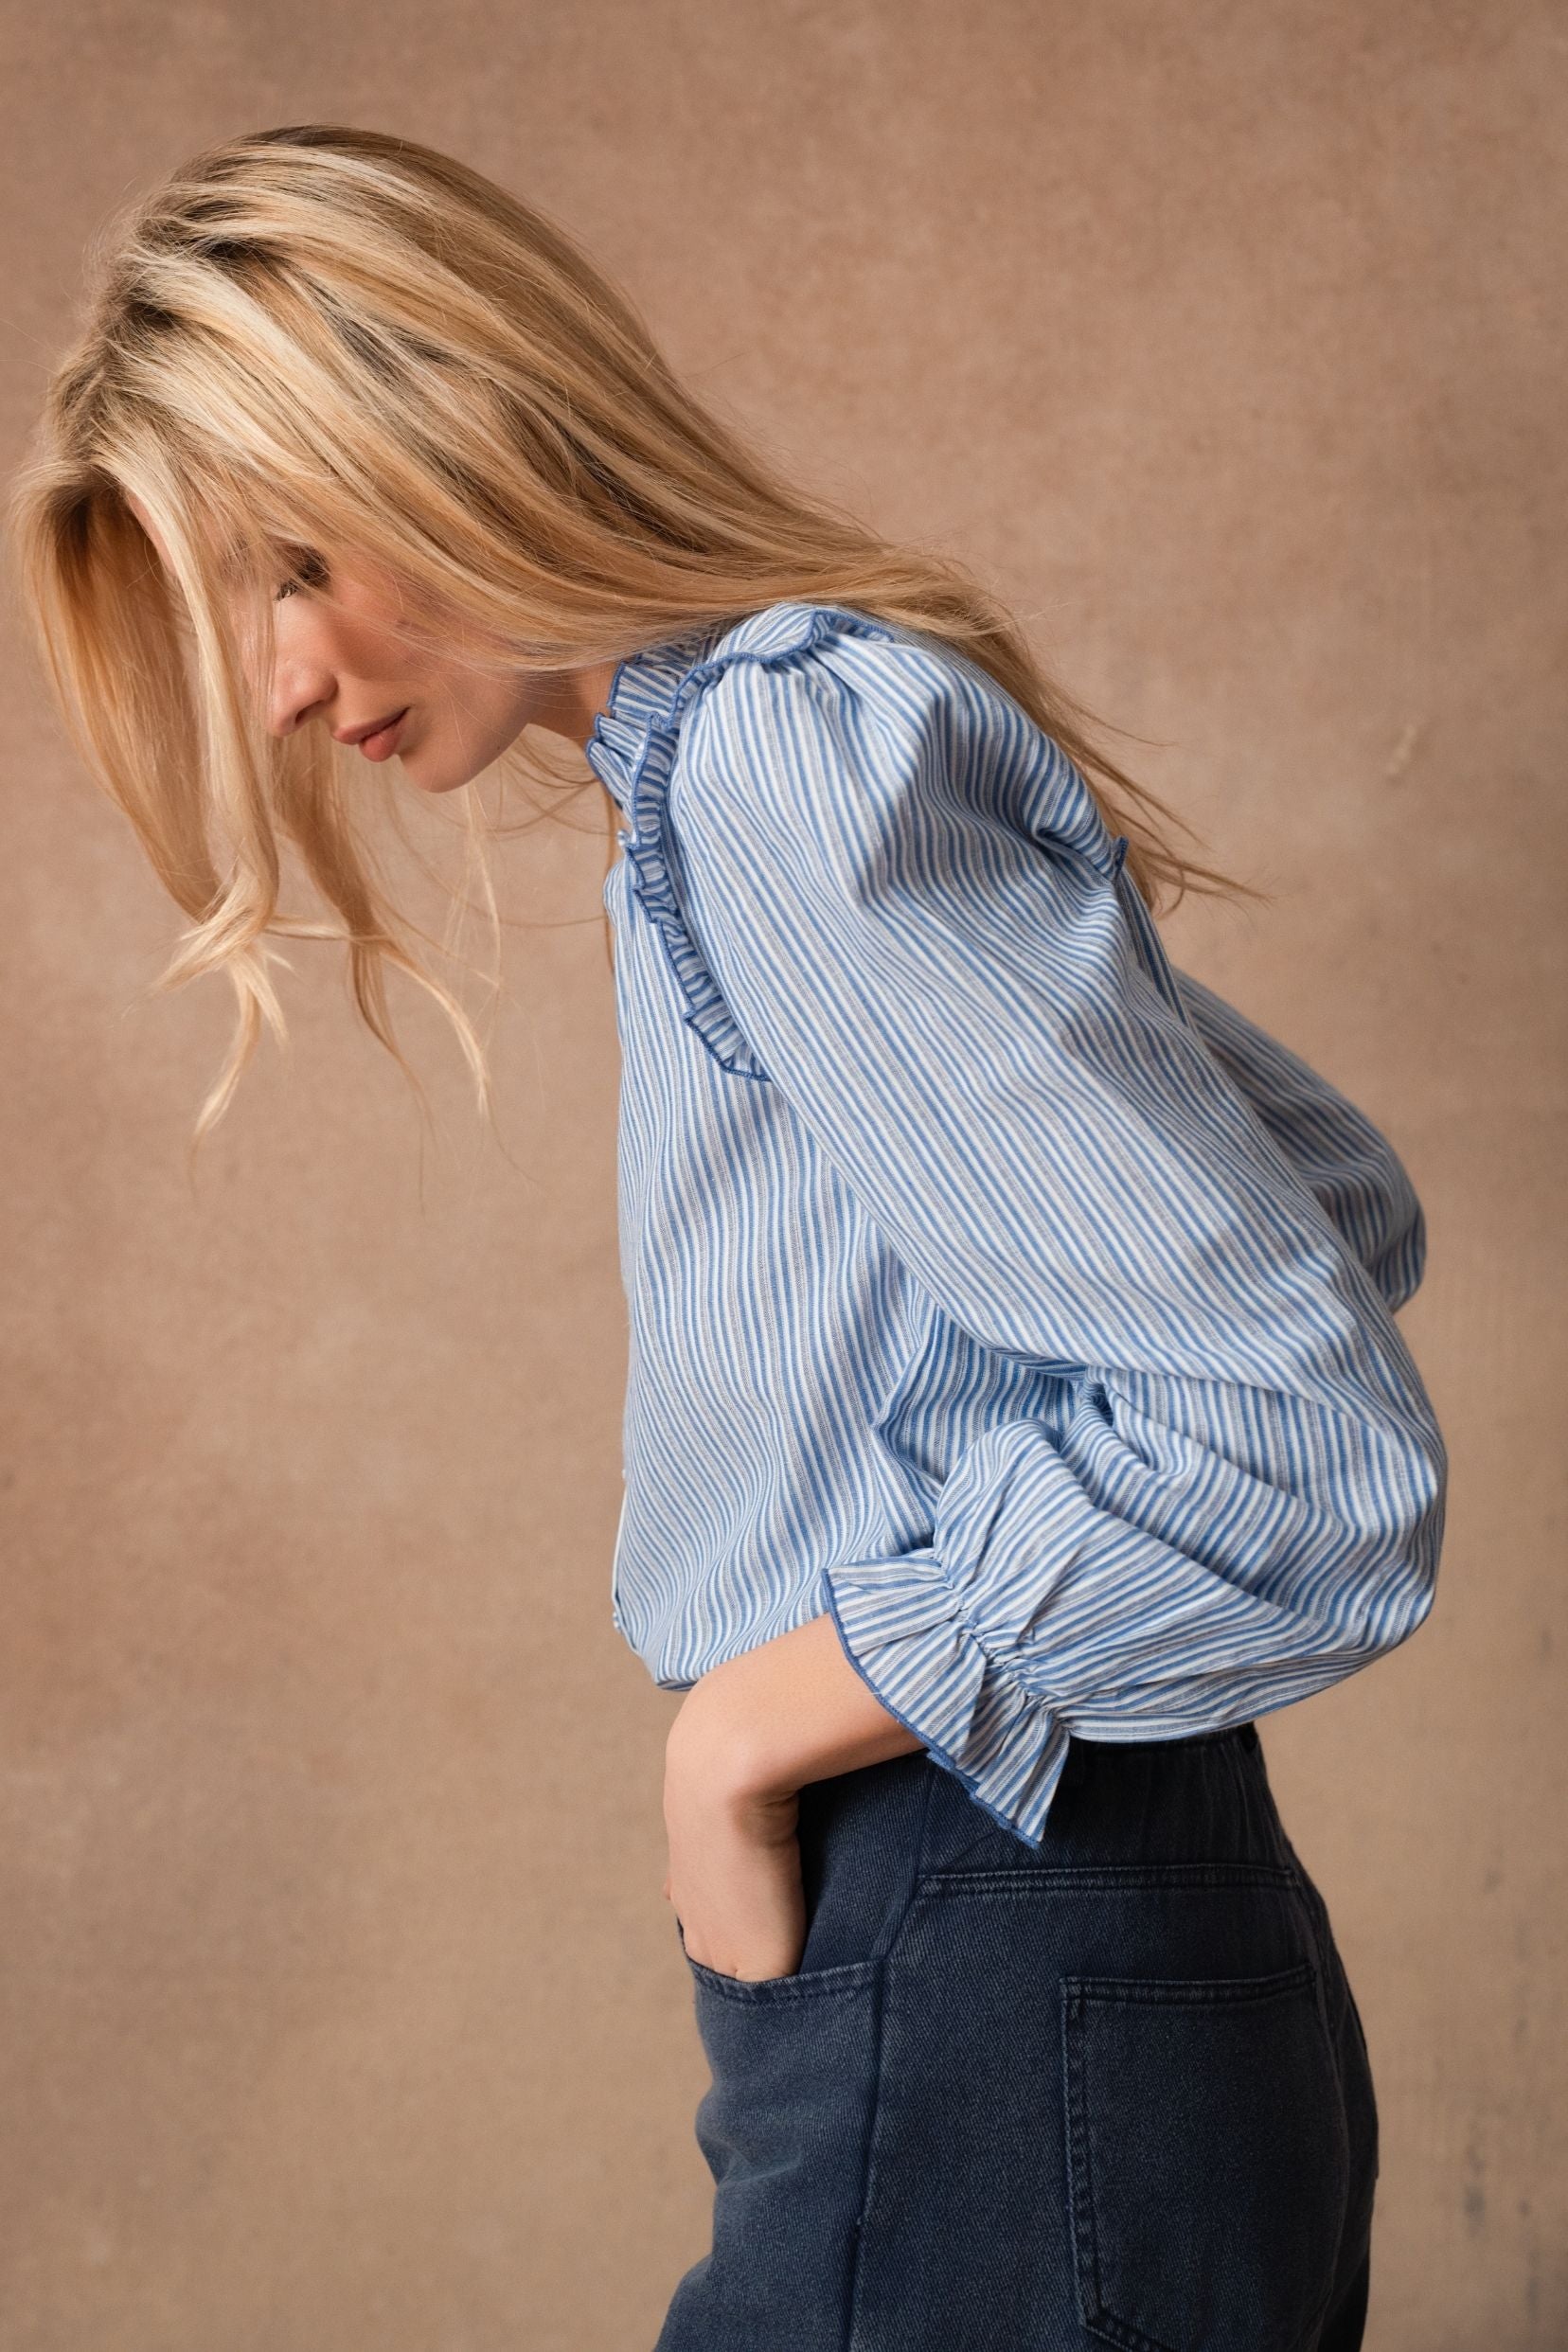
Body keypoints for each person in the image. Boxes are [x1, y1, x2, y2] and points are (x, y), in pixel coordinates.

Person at [9, 122, 1445, 2352]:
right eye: (237, 616)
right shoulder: (748, 767)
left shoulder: (780, 766)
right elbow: (1332, 1205)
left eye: (296, 560)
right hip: (1073, 1956)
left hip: (994, 1954)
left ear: (464, 416)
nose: (280, 686)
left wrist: (753, 1729)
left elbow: (1293, 1439)